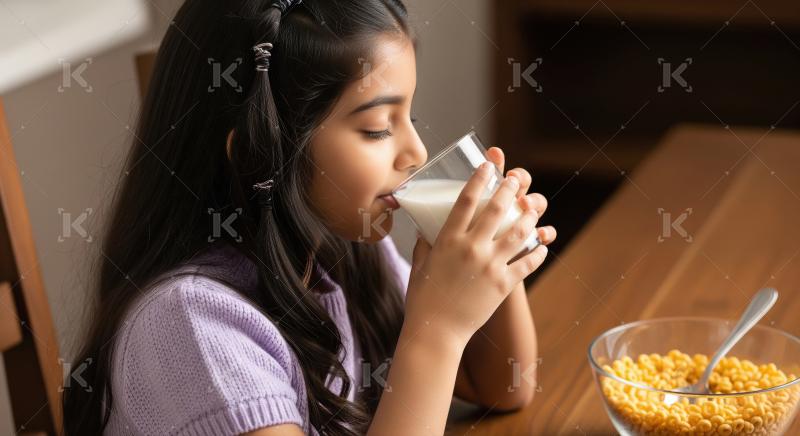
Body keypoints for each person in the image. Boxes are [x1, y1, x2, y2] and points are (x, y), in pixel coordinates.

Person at [62, 0, 556, 434]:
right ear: (262, 157)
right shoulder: (190, 328)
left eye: (411, 116)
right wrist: (438, 331)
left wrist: (496, 252)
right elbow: (447, 355)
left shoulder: (344, 251)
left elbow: (502, 385)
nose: (417, 151)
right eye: (377, 128)